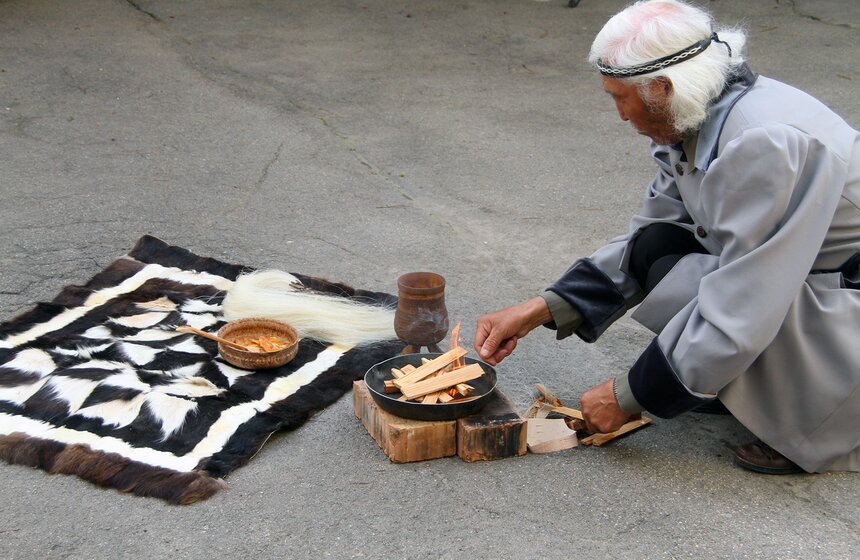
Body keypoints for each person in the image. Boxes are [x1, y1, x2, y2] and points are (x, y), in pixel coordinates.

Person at [473, 0, 859, 474]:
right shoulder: (697, 119)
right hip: (796, 275)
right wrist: (542, 308)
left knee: (733, 309)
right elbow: (652, 235)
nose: (618, 114)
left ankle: (811, 422)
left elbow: (749, 299)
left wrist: (630, 395)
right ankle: (741, 382)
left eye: (620, 97)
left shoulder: (763, 142)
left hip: (843, 297)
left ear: (662, 88)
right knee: (662, 253)